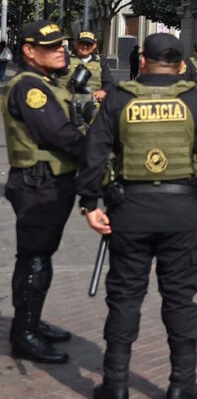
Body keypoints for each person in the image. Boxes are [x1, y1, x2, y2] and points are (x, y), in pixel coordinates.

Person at [77, 33, 197, 399]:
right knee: (180, 299)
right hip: (182, 213)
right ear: (182, 65)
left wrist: (90, 204)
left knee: (124, 298)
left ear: (142, 61)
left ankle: (115, 385)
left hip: (128, 212)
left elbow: (94, 154)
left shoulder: (118, 99)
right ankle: (181, 385)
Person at [2, 20, 86, 363]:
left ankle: (31, 324)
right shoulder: (30, 87)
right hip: (39, 184)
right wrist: (100, 148)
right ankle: (24, 334)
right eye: (52, 46)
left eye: (61, 45)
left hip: (51, 181)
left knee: (41, 256)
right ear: (29, 51)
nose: (61, 50)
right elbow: (60, 135)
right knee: (34, 257)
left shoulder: (47, 83)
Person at [61, 31, 115, 103]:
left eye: (88, 44)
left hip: (92, 103)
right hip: (68, 101)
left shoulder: (101, 62)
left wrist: (103, 91)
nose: (85, 47)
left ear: (94, 45)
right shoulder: (65, 59)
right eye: (82, 43)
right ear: (76, 43)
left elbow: (109, 82)